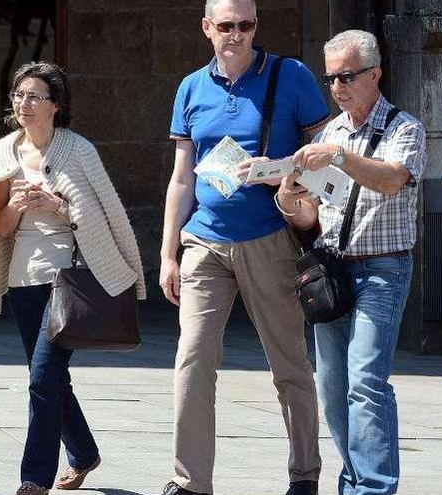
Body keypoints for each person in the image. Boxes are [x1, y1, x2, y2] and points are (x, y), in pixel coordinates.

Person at [158, 1, 330, 494]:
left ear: (256, 26)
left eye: (246, 25)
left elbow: (324, 159)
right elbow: (180, 177)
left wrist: (273, 169)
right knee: (192, 358)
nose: (236, 35)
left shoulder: (290, 76)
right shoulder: (190, 87)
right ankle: (189, 482)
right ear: (207, 28)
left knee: (288, 363)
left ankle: (304, 475)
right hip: (204, 239)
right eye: (227, 26)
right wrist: (169, 252)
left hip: (269, 239)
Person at [0, 61, 146, 495]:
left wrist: (58, 206)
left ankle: (34, 477)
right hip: (21, 281)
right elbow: (1, 228)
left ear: (55, 105)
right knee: (49, 377)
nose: (24, 104)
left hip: (68, 280)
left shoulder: (78, 150)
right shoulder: (3, 152)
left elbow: (102, 215)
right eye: (18, 95)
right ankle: (84, 453)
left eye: (35, 96)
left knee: (41, 378)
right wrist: (19, 206)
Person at [278, 29, 426, 495]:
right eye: (330, 80)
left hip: (383, 270)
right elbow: (314, 215)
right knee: (333, 389)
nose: (338, 88)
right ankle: (356, 479)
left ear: (375, 74)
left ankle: (374, 488)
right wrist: (287, 199)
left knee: (366, 381)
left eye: (346, 76)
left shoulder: (404, 128)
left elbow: (392, 180)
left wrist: (340, 157)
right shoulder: (332, 132)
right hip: (334, 270)